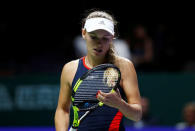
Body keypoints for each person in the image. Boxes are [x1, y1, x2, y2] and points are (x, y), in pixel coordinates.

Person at [54, 9, 142, 131]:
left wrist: (120, 104)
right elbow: (62, 110)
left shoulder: (124, 66)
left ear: (112, 37)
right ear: (83, 33)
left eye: (105, 38)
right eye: (93, 37)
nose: (99, 43)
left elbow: (137, 115)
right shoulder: (70, 69)